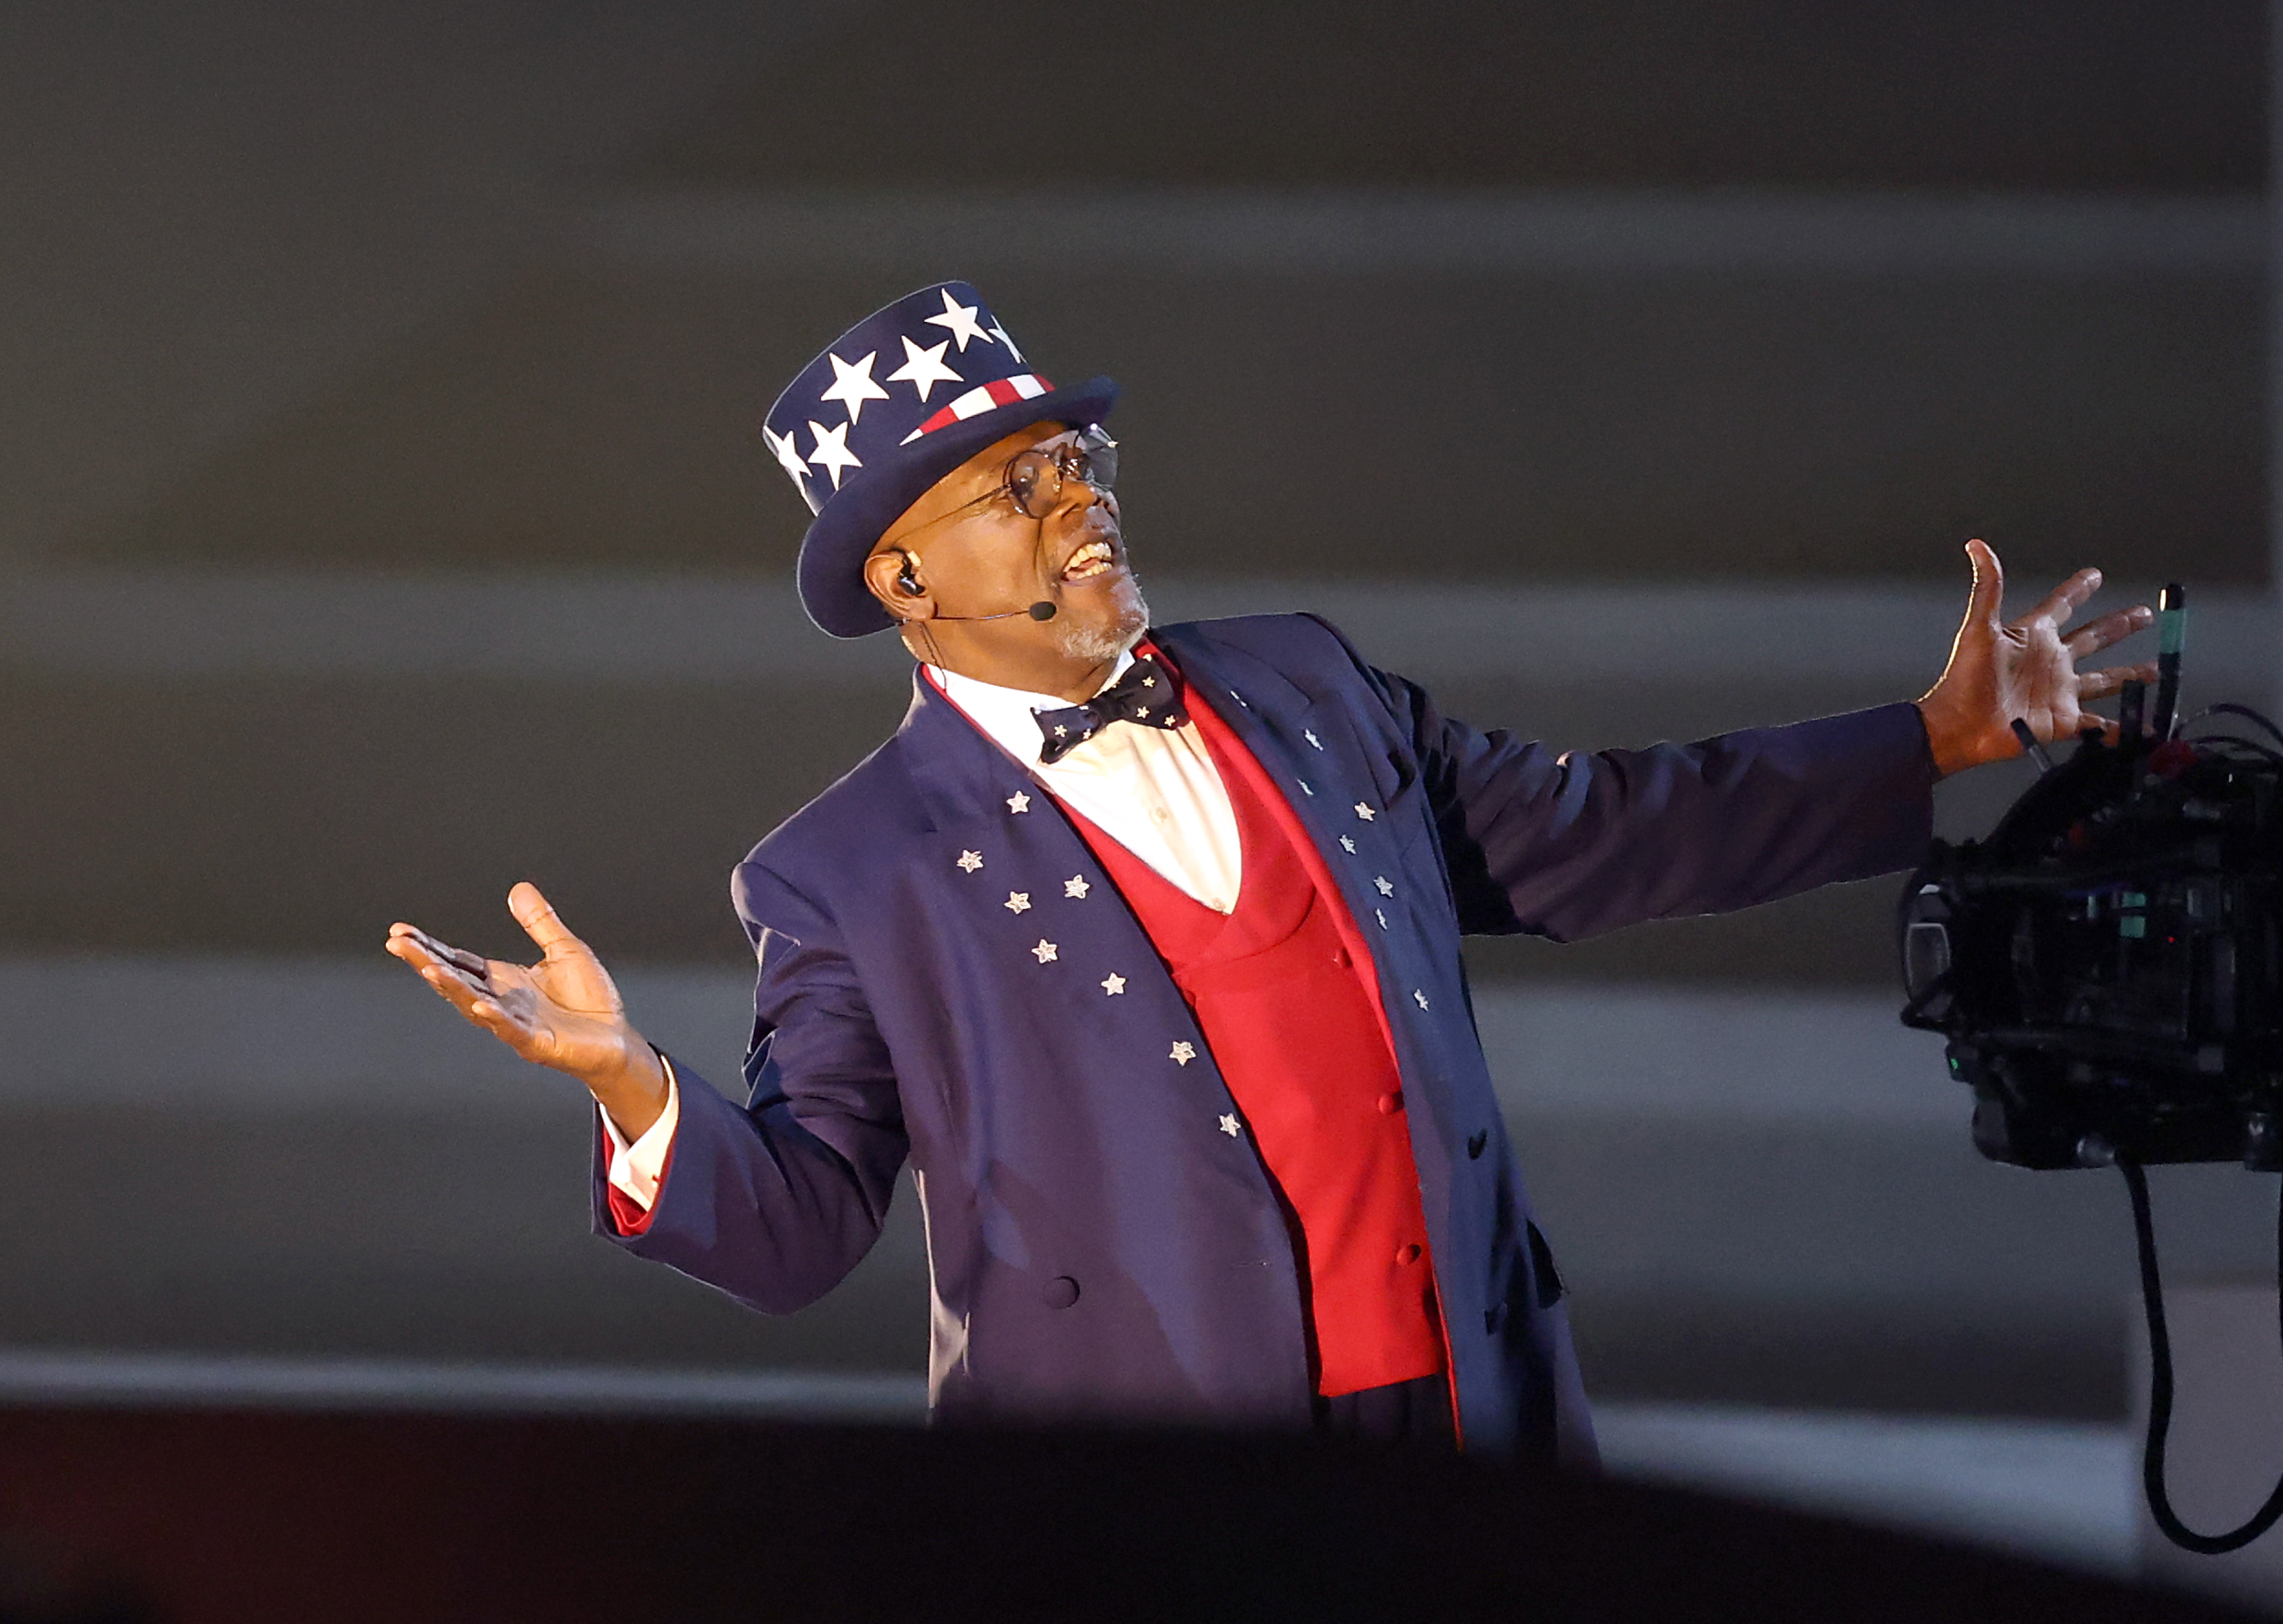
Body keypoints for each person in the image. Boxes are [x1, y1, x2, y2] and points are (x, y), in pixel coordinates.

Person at [386, 282, 2153, 1459]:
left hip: (1475, 1420)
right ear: (905, 583)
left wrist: (1923, 739)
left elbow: (1607, 830)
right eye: (1011, 487)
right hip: (1167, 1504)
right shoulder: (851, 872)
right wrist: (633, 1087)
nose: (1075, 499)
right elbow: (801, 1230)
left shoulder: (1307, 683)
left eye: (1073, 458)